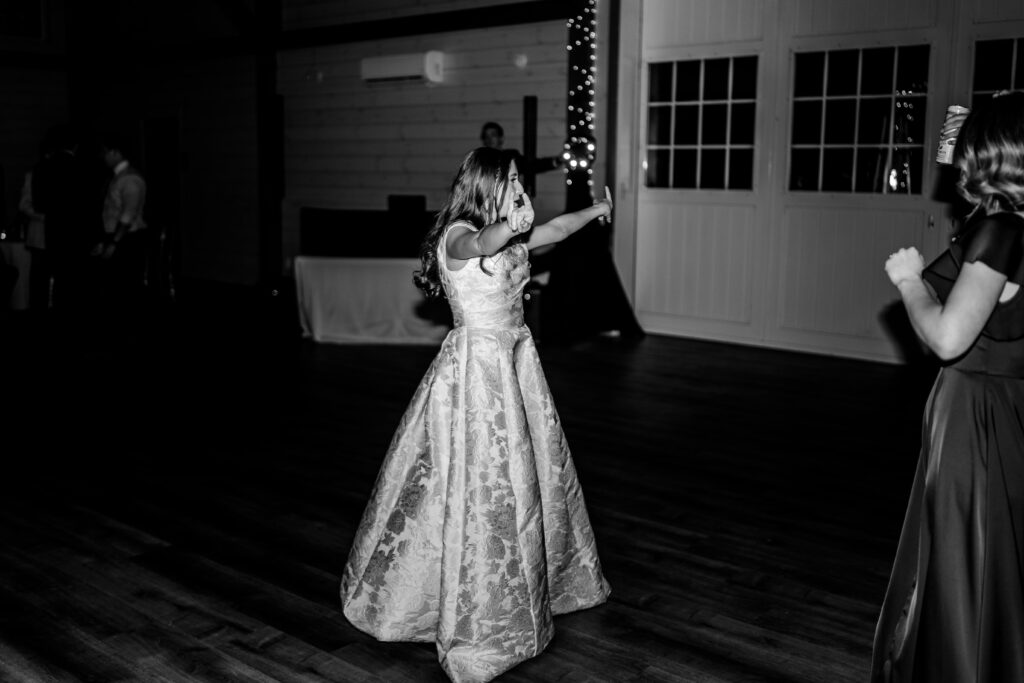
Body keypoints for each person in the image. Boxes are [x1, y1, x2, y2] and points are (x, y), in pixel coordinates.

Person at [340, 147, 612, 683]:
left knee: (527, 476)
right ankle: (466, 605)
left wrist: (594, 213)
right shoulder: (461, 235)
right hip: (476, 376)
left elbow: (552, 232)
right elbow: (484, 242)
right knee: (472, 481)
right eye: (510, 178)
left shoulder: (504, 232)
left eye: (518, 179)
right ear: (487, 182)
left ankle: (534, 579)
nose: (517, 185)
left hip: (514, 364)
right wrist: (509, 225)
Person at [872, 91, 1024, 682]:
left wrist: (909, 281)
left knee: (965, 552)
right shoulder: (1003, 229)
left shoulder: (1001, 232)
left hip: (974, 416)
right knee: (996, 553)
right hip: (1008, 406)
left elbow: (947, 338)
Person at [91, 135, 148, 314]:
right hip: (116, 235)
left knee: (125, 286)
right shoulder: (118, 177)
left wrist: (114, 242)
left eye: (105, 152)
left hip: (127, 238)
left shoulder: (130, 178)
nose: (102, 156)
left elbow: (127, 214)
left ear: (115, 152)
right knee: (113, 286)